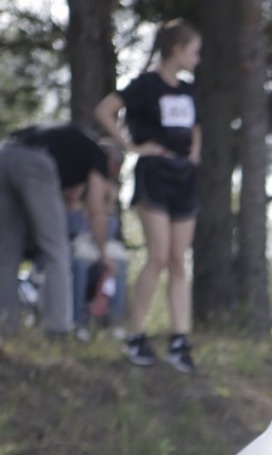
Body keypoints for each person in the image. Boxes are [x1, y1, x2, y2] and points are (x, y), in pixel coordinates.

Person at [94, 17, 201, 372]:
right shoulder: (144, 85)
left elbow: (195, 126)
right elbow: (105, 110)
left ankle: (179, 340)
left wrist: (195, 151)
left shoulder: (187, 90)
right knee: (157, 256)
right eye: (194, 51)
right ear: (176, 49)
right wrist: (130, 146)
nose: (197, 58)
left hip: (184, 177)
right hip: (154, 174)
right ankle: (136, 335)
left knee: (178, 260)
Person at [0, 122, 118, 336]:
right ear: (111, 161)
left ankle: (6, 327)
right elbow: (96, 209)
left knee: (6, 253)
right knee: (57, 250)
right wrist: (103, 254)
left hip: (4, 152)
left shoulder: (72, 145)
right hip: (34, 161)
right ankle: (58, 328)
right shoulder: (98, 155)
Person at [64, 179, 128, 337]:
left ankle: (114, 322)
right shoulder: (67, 211)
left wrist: (108, 203)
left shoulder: (106, 214)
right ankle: (76, 323)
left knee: (117, 268)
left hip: (96, 266)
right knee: (78, 265)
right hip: (72, 267)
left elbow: (109, 233)